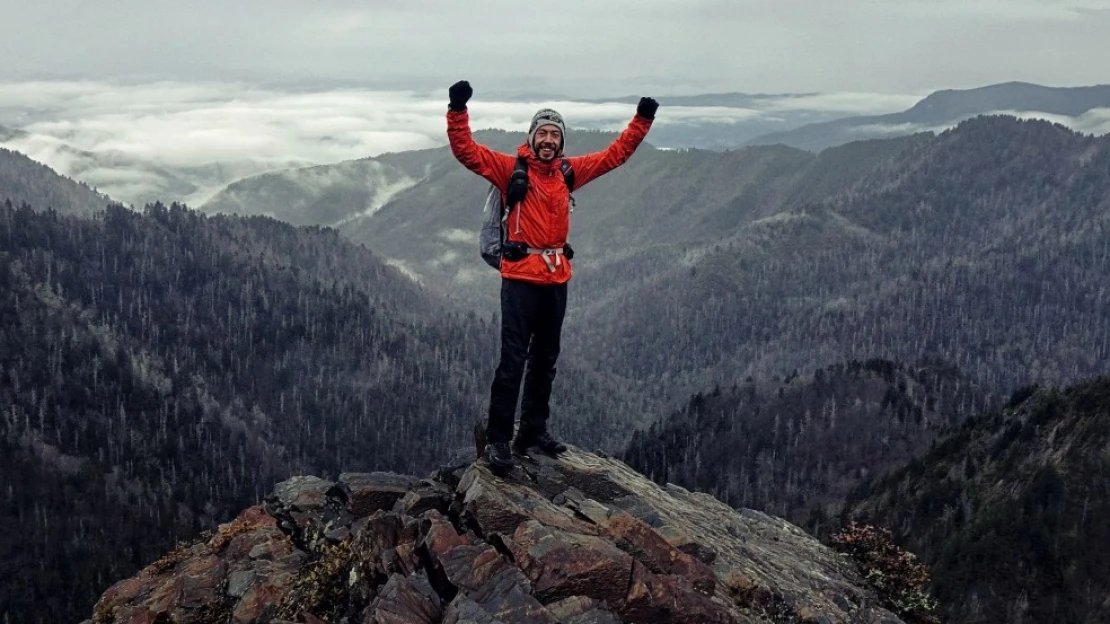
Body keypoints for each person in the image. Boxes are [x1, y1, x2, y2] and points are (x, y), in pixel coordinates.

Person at [446, 79, 658, 468]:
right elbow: (467, 152)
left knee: (545, 359)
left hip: (556, 278)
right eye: (542, 132)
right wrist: (457, 109)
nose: (548, 139)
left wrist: (641, 121)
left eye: (554, 134)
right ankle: (498, 439)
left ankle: (532, 431)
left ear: (561, 142)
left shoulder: (567, 172)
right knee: (512, 360)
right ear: (532, 137)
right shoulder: (510, 168)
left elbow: (615, 156)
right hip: (520, 279)